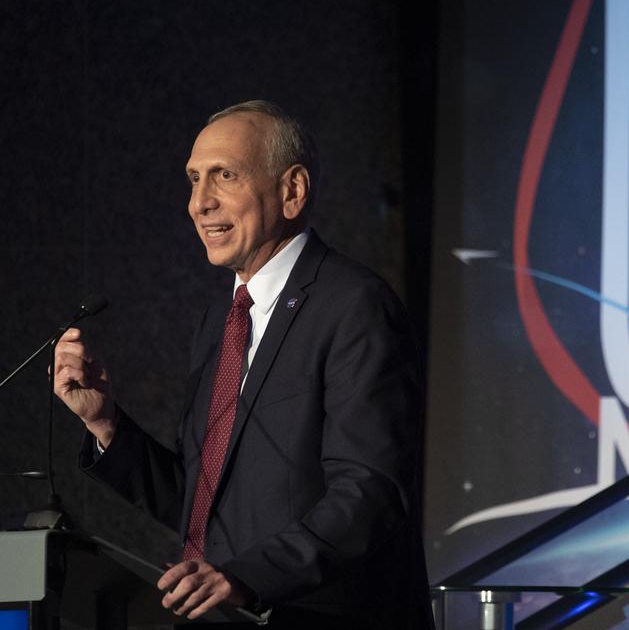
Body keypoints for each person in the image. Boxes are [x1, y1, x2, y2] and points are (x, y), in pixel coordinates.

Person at [53, 101, 432, 628]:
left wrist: (248, 577)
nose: (198, 204)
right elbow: (205, 504)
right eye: (193, 180)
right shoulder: (221, 320)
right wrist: (105, 424)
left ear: (292, 190)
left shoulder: (354, 306)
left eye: (224, 176)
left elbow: (369, 492)